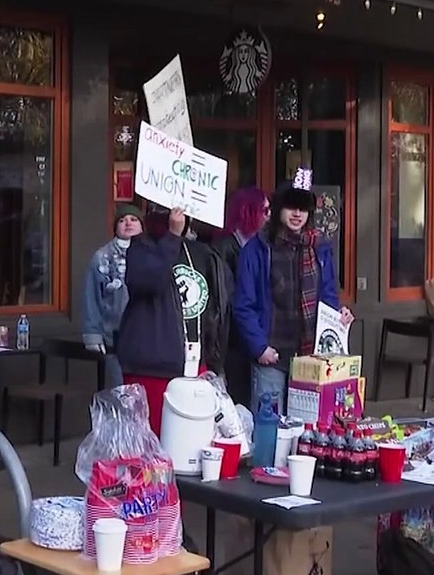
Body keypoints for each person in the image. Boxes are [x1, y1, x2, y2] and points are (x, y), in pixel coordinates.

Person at [234, 175, 351, 413]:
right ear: (278, 208)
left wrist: (339, 317)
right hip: (272, 356)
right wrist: (259, 348)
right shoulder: (257, 249)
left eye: (303, 208)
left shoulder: (319, 248)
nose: (297, 213)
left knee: (308, 430)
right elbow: (243, 304)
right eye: (291, 206)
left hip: (311, 359)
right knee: (269, 428)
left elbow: (328, 296)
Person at [119, 204, 228, 435]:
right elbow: (148, 281)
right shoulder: (141, 248)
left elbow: (216, 305)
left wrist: (214, 357)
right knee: (152, 447)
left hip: (194, 364)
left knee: (189, 445)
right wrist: (172, 237)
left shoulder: (202, 254)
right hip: (152, 366)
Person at [207, 187, 269, 407]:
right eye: (264, 210)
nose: (269, 216)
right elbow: (225, 298)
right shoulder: (223, 247)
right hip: (232, 339)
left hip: (250, 337)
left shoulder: (262, 247)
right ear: (249, 212)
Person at [81, 204, 143, 389]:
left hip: (147, 339)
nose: (128, 223)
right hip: (115, 338)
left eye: (133, 219)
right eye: (122, 220)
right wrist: (92, 335)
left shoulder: (154, 254)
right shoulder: (102, 257)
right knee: (123, 393)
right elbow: (91, 297)